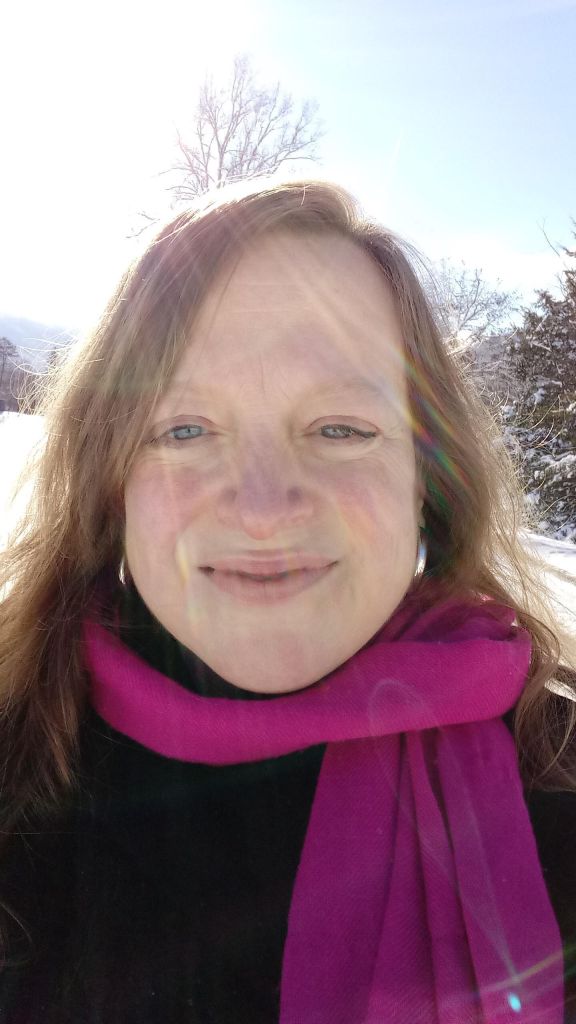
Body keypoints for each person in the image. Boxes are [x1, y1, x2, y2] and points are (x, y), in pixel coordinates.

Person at [0, 178, 575, 1024]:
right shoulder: (20, 766)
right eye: (184, 429)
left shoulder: (558, 778)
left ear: (428, 478)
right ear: (109, 480)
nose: (264, 508)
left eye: (341, 428)